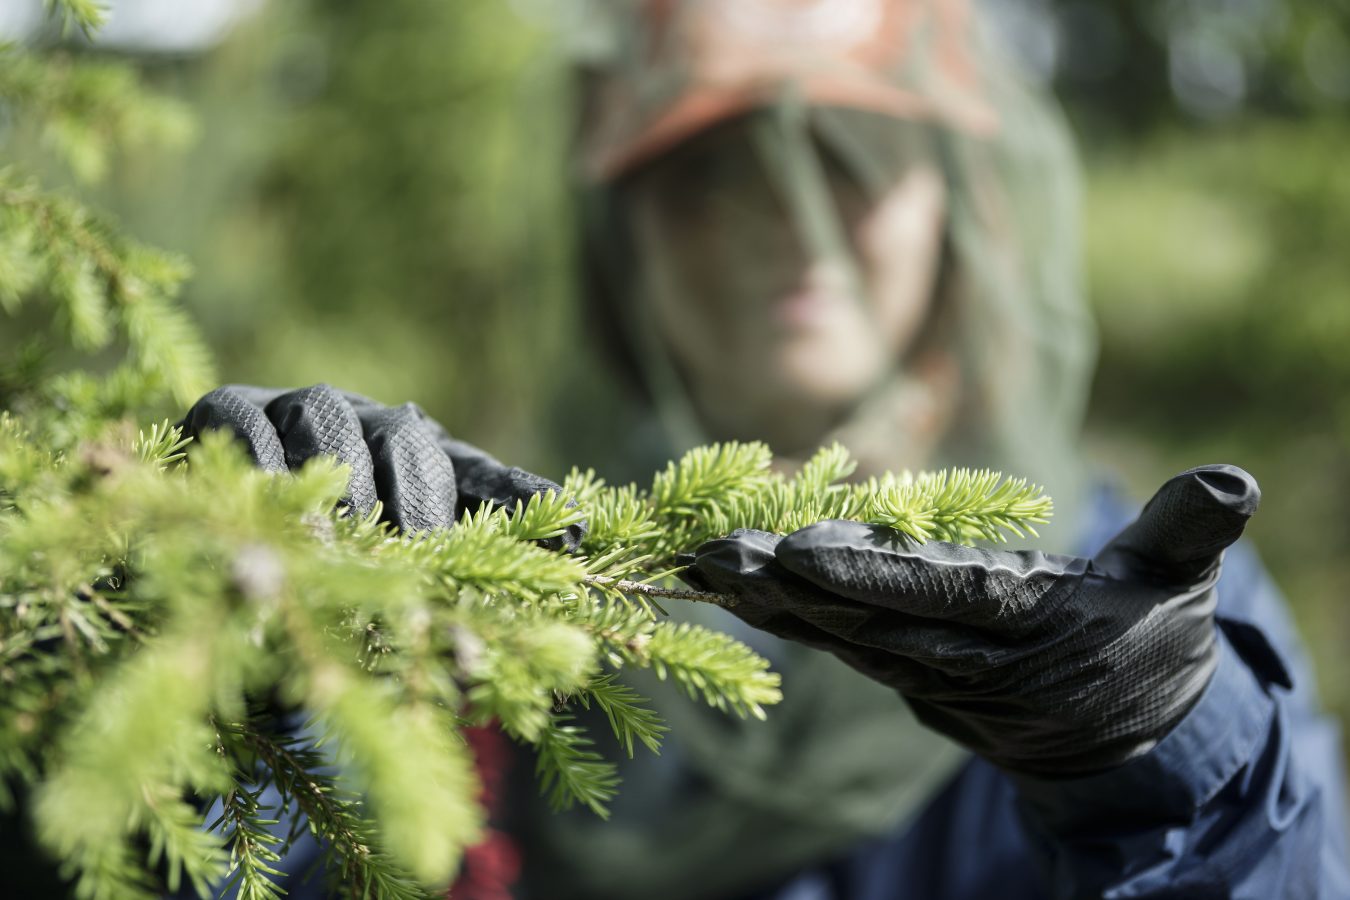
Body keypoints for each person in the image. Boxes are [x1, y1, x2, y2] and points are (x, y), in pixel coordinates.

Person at [181, 0, 1350, 897]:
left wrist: (1168, 751)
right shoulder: (504, 576)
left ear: (955, 198)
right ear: (616, 242)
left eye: (851, 152)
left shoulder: (1133, 599)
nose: (783, 218)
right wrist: (215, 661)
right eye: (704, 170)